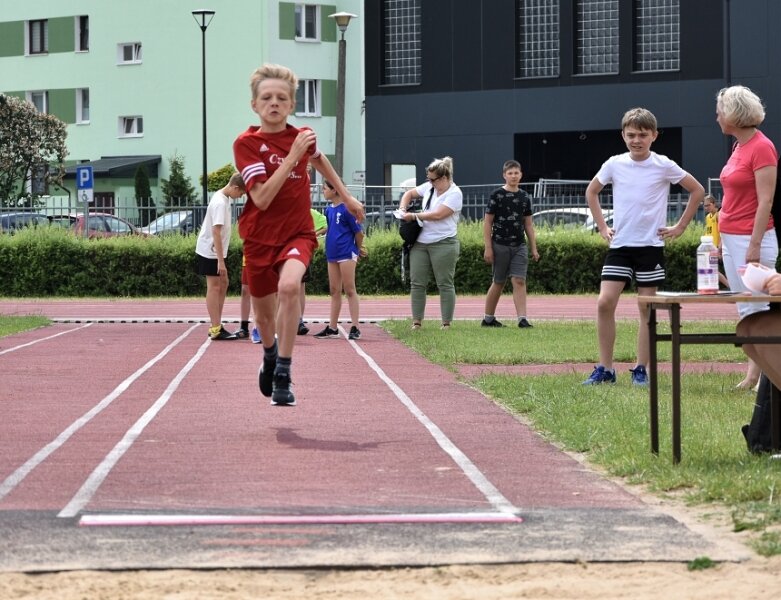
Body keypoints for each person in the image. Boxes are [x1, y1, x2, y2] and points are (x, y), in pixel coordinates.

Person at [233, 63, 364, 406]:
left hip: (297, 234)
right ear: (255, 105)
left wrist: (347, 197)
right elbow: (260, 198)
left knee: (290, 287)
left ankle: (284, 372)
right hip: (259, 237)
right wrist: (291, 158)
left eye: (281, 98)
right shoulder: (247, 144)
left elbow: (319, 160)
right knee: (263, 316)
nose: (274, 103)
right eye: (266, 97)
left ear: (291, 105)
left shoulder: (303, 136)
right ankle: (270, 354)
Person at [583, 107, 704, 385]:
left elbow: (697, 190)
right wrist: (602, 226)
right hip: (621, 245)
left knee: (645, 308)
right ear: (623, 135)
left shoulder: (663, 164)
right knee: (604, 302)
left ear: (654, 136)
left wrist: (681, 226)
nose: (636, 140)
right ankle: (605, 369)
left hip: (650, 246)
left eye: (642, 135)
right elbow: (592, 191)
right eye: (631, 135)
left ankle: (641, 369)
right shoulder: (614, 163)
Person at [715, 85, 779, 391]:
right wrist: (719, 237)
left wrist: (753, 246)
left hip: (753, 238)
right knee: (745, 308)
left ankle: (767, 376)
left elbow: (765, 201)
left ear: (733, 115)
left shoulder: (762, 147)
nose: (716, 118)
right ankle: (754, 375)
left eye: (720, 112)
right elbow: (731, 195)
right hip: (731, 237)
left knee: (758, 308)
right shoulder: (739, 147)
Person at [398, 157, 463, 330]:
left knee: (444, 283)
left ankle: (446, 323)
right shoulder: (430, 187)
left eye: (433, 179)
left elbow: (438, 215)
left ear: (444, 178)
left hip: (444, 243)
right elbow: (409, 194)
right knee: (417, 283)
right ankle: (417, 322)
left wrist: (414, 216)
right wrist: (403, 208)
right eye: (429, 179)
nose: (430, 182)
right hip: (420, 243)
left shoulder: (455, 193)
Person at [481, 159, 539, 328]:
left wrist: (533, 247)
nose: (513, 176)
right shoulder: (496, 195)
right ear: (504, 175)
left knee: (519, 280)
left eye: (516, 173)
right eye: (510, 173)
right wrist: (488, 247)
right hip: (499, 244)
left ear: (521, 175)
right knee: (499, 281)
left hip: (519, 245)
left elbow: (528, 224)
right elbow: (487, 223)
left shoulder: (524, 197)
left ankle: (522, 319)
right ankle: (488, 318)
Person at [195, 173, 247, 341]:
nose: (241, 197)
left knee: (223, 283)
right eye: (241, 193)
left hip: (215, 251)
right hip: (210, 251)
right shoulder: (219, 202)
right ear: (235, 188)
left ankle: (216, 323)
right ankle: (216, 327)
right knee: (214, 286)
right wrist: (221, 261)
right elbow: (216, 231)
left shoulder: (225, 199)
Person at [313, 180, 366, 340]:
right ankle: (332, 327)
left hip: (347, 253)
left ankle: (355, 326)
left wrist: (358, 248)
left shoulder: (348, 209)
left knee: (349, 289)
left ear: (335, 190)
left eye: (325, 188)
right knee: (334, 290)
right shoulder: (328, 209)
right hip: (332, 254)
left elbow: (359, 232)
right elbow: (332, 227)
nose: (323, 191)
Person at [298, 207, 328, 336]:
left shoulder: (308, 212)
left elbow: (326, 225)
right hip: (284, 253)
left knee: (300, 286)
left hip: (302, 252)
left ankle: (299, 321)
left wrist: (313, 235)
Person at [703, 194, 730, 288]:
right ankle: (715, 287)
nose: (706, 207)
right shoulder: (707, 217)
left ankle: (731, 286)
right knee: (710, 269)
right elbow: (708, 232)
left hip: (718, 247)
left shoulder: (719, 215)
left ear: (714, 204)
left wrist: (720, 247)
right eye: (705, 205)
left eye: (708, 205)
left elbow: (723, 232)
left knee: (712, 268)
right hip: (710, 248)